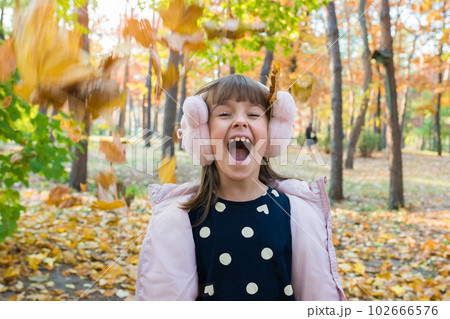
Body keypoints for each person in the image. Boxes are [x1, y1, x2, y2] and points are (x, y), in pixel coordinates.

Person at [135, 74, 346, 301]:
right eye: (224, 114)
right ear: (203, 135)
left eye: (254, 114)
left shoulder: (295, 215)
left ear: (271, 134)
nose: (240, 122)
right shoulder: (183, 220)